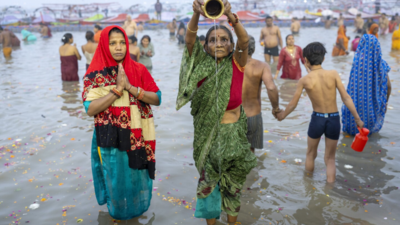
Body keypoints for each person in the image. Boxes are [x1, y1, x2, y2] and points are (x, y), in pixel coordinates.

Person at [176, 1, 257, 224]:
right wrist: (195, 14)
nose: (218, 43)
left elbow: (244, 40)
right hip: (208, 140)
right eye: (212, 40)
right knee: (208, 188)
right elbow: (189, 39)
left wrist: (229, 13)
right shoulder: (200, 66)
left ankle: (232, 222)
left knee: (234, 187)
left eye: (224, 40)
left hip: (235, 138)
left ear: (231, 46)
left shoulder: (237, 63)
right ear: (205, 46)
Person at [82, 25, 161, 221]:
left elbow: (157, 98)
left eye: (122, 43)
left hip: (136, 135)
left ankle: (135, 216)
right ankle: (118, 216)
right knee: (115, 181)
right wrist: (116, 91)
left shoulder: (139, 69)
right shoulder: (94, 75)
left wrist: (131, 88)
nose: (118, 48)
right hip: (109, 138)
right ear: (104, 46)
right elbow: (90, 108)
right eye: (112, 43)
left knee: (136, 178)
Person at [276, 42, 364, 183]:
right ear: (323, 58)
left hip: (317, 120)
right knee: (330, 158)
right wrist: (358, 119)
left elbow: (293, 104)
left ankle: (309, 186)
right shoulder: (333, 74)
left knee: (311, 154)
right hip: (333, 119)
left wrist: (282, 115)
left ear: (305, 60)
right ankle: (330, 188)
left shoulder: (304, 80)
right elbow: (346, 98)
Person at [342, 35, 391, 136]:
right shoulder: (382, 64)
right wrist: (385, 103)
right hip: (373, 108)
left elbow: (351, 85)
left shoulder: (357, 63)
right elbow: (389, 86)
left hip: (355, 107)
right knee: (369, 136)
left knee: (350, 137)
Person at [243, 36, 280, 153]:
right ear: (253, 50)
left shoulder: (230, 65)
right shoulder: (262, 66)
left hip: (233, 116)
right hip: (253, 116)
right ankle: (252, 172)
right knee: (250, 152)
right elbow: (271, 88)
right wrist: (276, 108)